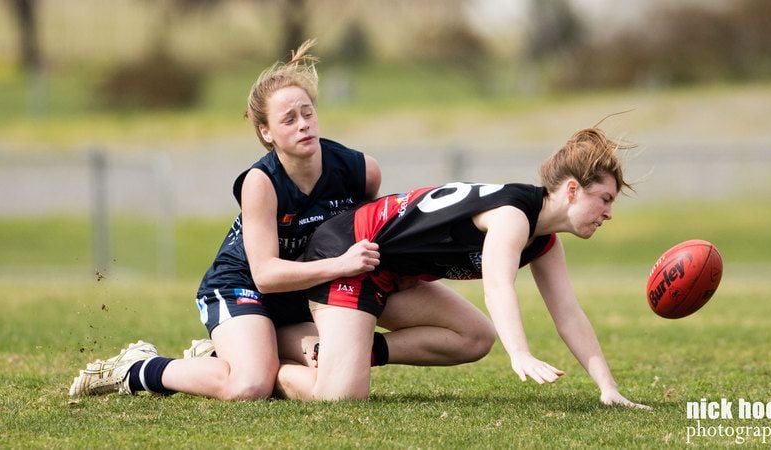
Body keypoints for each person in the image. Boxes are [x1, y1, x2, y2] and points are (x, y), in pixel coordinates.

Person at [68, 39, 495, 400]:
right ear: (266, 132)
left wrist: (403, 272)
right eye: (288, 119)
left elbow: (374, 233)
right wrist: (344, 265)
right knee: (248, 386)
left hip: (310, 293)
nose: (303, 125)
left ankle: (228, 355)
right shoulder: (261, 182)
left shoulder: (360, 169)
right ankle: (139, 367)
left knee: (468, 338)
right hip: (244, 288)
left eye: (307, 112)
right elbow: (267, 275)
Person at [276, 127, 651, 409]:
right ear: (571, 190)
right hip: (351, 254)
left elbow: (569, 314)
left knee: (475, 337)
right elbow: (498, 287)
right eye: (603, 199)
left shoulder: (545, 242)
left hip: (389, 275)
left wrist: (608, 388)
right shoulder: (513, 216)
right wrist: (520, 353)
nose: (609, 213)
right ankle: (273, 353)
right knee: (341, 397)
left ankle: (347, 352)